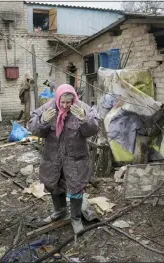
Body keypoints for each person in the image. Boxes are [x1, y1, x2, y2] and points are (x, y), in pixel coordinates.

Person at [28, 84, 99, 234]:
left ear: (74, 98)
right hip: (53, 156)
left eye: (69, 102)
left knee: (76, 185)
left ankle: (76, 218)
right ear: (57, 98)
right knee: (53, 183)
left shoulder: (82, 108)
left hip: (75, 157)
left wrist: (84, 118)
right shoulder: (48, 108)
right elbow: (34, 130)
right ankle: (59, 212)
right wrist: (43, 120)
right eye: (63, 102)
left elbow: (92, 130)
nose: (66, 105)